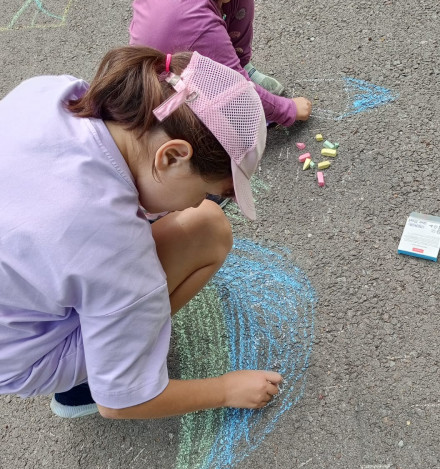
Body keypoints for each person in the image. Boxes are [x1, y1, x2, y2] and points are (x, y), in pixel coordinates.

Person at [0, 46, 282, 419]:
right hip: (22, 358)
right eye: (205, 191)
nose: (196, 203)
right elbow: (121, 404)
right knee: (207, 229)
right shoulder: (113, 247)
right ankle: (85, 384)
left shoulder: (53, 92)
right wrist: (226, 389)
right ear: (172, 156)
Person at [129, 0, 312, 128]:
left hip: (179, 49)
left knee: (239, 4)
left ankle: (238, 64)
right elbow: (238, 86)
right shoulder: (200, 25)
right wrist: (288, 109)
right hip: (165, 91)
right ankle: (224, 105)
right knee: (235, 102)